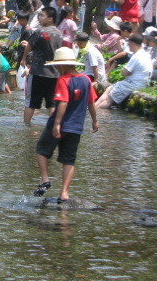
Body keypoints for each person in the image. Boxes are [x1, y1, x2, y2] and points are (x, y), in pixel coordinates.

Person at [33, 47, 99, 203]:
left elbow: (63, 102)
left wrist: (57, 123)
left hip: (59, 125)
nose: (56, 68)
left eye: (57, 65)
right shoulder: (86, 80)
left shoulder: (63, 80)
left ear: (62, 65)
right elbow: (91, 102)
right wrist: (95, 121)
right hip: (76, 127)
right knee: (68, 159)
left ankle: (44, 180)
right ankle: (64, 193)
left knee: (41, 150)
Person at [20, 7, 63, 124]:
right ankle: (52, 126)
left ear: (50, 18)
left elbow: (29, 45)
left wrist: (24, 59)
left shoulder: (39, 32)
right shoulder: (60, 34)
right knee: (52, 103)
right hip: (55, 74)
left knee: (31, 103)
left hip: (38, 72)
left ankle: (26, 127)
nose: (39, 17)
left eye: (42, 15)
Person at [95, 34, 153, 109]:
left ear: (133, 44)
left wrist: (128, 73)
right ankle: (94, 106)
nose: (128, 47)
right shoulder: (146, 54)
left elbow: (124, 73)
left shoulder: (136, 57)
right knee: (109, 88)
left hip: (134, 84)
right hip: (142, 83)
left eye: (129, 44)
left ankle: (97, 112)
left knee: (109, 98)